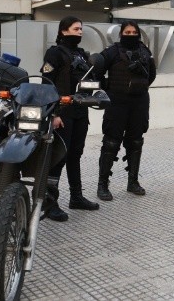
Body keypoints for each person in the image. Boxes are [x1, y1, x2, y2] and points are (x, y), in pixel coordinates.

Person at [40, 16, 100, 222]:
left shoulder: (81, 54)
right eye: (76, 29)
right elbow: (46, 83)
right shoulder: (55, 53)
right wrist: (53, 114)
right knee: (58, 157)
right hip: (62, 112)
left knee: (75, 155)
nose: (80, 32)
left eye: (81, 29)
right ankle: (50, 203)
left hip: (80, 112)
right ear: (63, 31)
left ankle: (76, 197)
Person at [96, 20, 157, 201]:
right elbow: (98, 70)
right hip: (117, 102)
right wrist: (107, 88)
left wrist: (140, 86)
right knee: (111, 142)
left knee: (136, 141)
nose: (131, 35)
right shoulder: (112, 51)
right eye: (127, 32)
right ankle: (102, 184)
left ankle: (133, 182)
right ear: (121, 33)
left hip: (139, 102)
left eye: (134, 32)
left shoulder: (145, 51)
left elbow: (152, 74)